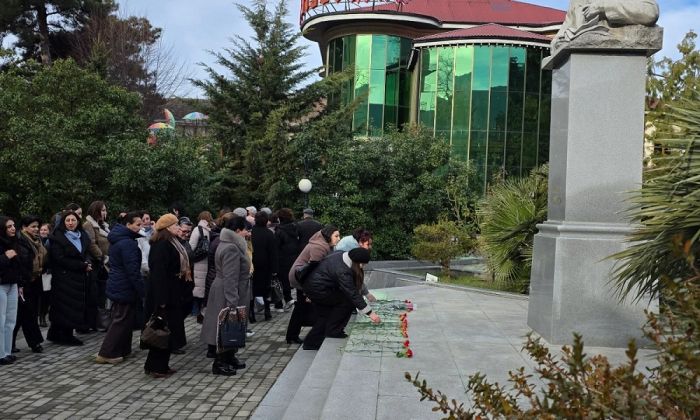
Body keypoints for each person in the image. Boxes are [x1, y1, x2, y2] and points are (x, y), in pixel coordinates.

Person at [302, 248, 381, 350]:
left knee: (326, 315)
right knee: (346, 302)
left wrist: (366, 294)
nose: (362, 267)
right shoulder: (343, 271)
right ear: (355, 261)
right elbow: (352, 293)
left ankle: (313, 341)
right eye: (362, 264)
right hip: (318, 290)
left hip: (318, 287)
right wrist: (370, 313)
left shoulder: (342, 256)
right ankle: (332, 331)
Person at [201, 216, 250, 376]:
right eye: (245, 230)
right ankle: (220, 362)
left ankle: (229, 357)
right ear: (237, 230)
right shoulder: (231, 248)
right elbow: (230, 277)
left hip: (226, 289)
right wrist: (232, 302)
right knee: (226, 325)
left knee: (230, 325)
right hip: (227, 292)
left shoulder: (227, 243)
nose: (248, 233)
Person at [144, 214, 190, 378]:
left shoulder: (172, 242)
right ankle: (156, 367)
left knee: (168, 330)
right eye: (176, 225)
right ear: (168, 227)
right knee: (162, 330)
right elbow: (159, 275)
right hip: (164, 294)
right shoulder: (162, 245)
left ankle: (159, 365)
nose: (179, 227)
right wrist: (161, 301)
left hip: (172, 291)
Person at [96, 212, 145, 364]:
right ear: (128, 225)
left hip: (119, 283)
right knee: (121, 319)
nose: (140, 227)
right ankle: (107, 353)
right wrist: (142, 290)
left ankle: (122, 349)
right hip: (124, 285)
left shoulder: (122, 240)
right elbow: (132, 271)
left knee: (125, 319)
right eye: (137, 224)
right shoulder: (127, 243)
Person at [286, 225, 340, 345]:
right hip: (301, 277)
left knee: (302, 307)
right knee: (302, 307)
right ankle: (294, 336)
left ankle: (294, 335)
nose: (339, 239)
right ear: (328, 236)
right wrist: (308, 292)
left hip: (303, 276)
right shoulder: (319, 247)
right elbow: (312, 271)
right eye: (336, 236)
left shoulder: (325, 245)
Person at [47, 211, 93, 346]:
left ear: (78, 222)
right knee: (65, 307)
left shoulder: (83, 235)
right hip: (64, 277)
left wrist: (87, 262)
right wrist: (82, 265)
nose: (71, 223)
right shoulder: (57, 236)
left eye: (73, 220)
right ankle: (65, 335)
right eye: (68, 220)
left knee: (72, 306)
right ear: (63, 222)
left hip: (79, 277)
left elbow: (86, 253)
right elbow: (59, 258)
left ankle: (55, 334)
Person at [12, 216, 47, 353]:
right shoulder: (20, 241)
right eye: (33, 226)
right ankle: (34, 342)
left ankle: (12, 343)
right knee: (25, 313)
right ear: (24, 227)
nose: (36, 229)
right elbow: (22, 262)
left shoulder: (38, 240)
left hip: (35, 280)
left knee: (24, 314)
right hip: (24, 282)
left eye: (37, 226)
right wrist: (23, 280)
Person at [1, 216, 31, 365]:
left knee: (10, 320)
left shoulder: (15, 243)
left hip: (13, 284)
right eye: (9, 226)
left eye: (13, 225)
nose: (13, 228)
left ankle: (7, 351)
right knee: (1, 320)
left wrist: (20, 285)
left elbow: (19, 266)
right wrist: (4, 257)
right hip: (1, 285)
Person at [83, 201, 111, 331]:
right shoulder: (88, 225)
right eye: (102, 210)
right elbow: (91, 244)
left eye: (105, 210)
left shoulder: (104, 225)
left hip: (105, 264)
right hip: (96, 263)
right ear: (96, 211)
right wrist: (103, 257)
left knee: (102, 294)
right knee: (94, 294)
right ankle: (93, 323)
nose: (105, 212)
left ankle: (101, 321)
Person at [251, 212, 277, 321]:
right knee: (266, 288)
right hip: (266, 265)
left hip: (252, 265)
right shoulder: (269, 234)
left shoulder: (250, 233)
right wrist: (274, 269)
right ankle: (267, 311)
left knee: (252, 289)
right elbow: (273, 253)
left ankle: (251, 313)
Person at [189, 211, 213, 323]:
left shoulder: (197, 229)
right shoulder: (209, 229)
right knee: (204, 288)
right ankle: (202, 312)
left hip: (198, 263)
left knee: (197, 288)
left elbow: (191, 247)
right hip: (206, 262)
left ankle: (196, 312)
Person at [274, 208, 299, 312]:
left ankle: (286, 299)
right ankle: (290, 299)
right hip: (295, 257)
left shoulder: (279, 230)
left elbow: (276, 246)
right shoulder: (296, 227)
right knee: (292, 278)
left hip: (283, 258)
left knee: (283, 280)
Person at [38, 223, 51, 327]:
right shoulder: (37, 241)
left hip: (48, 273)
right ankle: (40, 317)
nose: (42, 231)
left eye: (45, 230)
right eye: (41, 230)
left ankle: (43, 316)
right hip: (40, 272)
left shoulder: (51, 242)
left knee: (46, 296)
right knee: (41, 297)